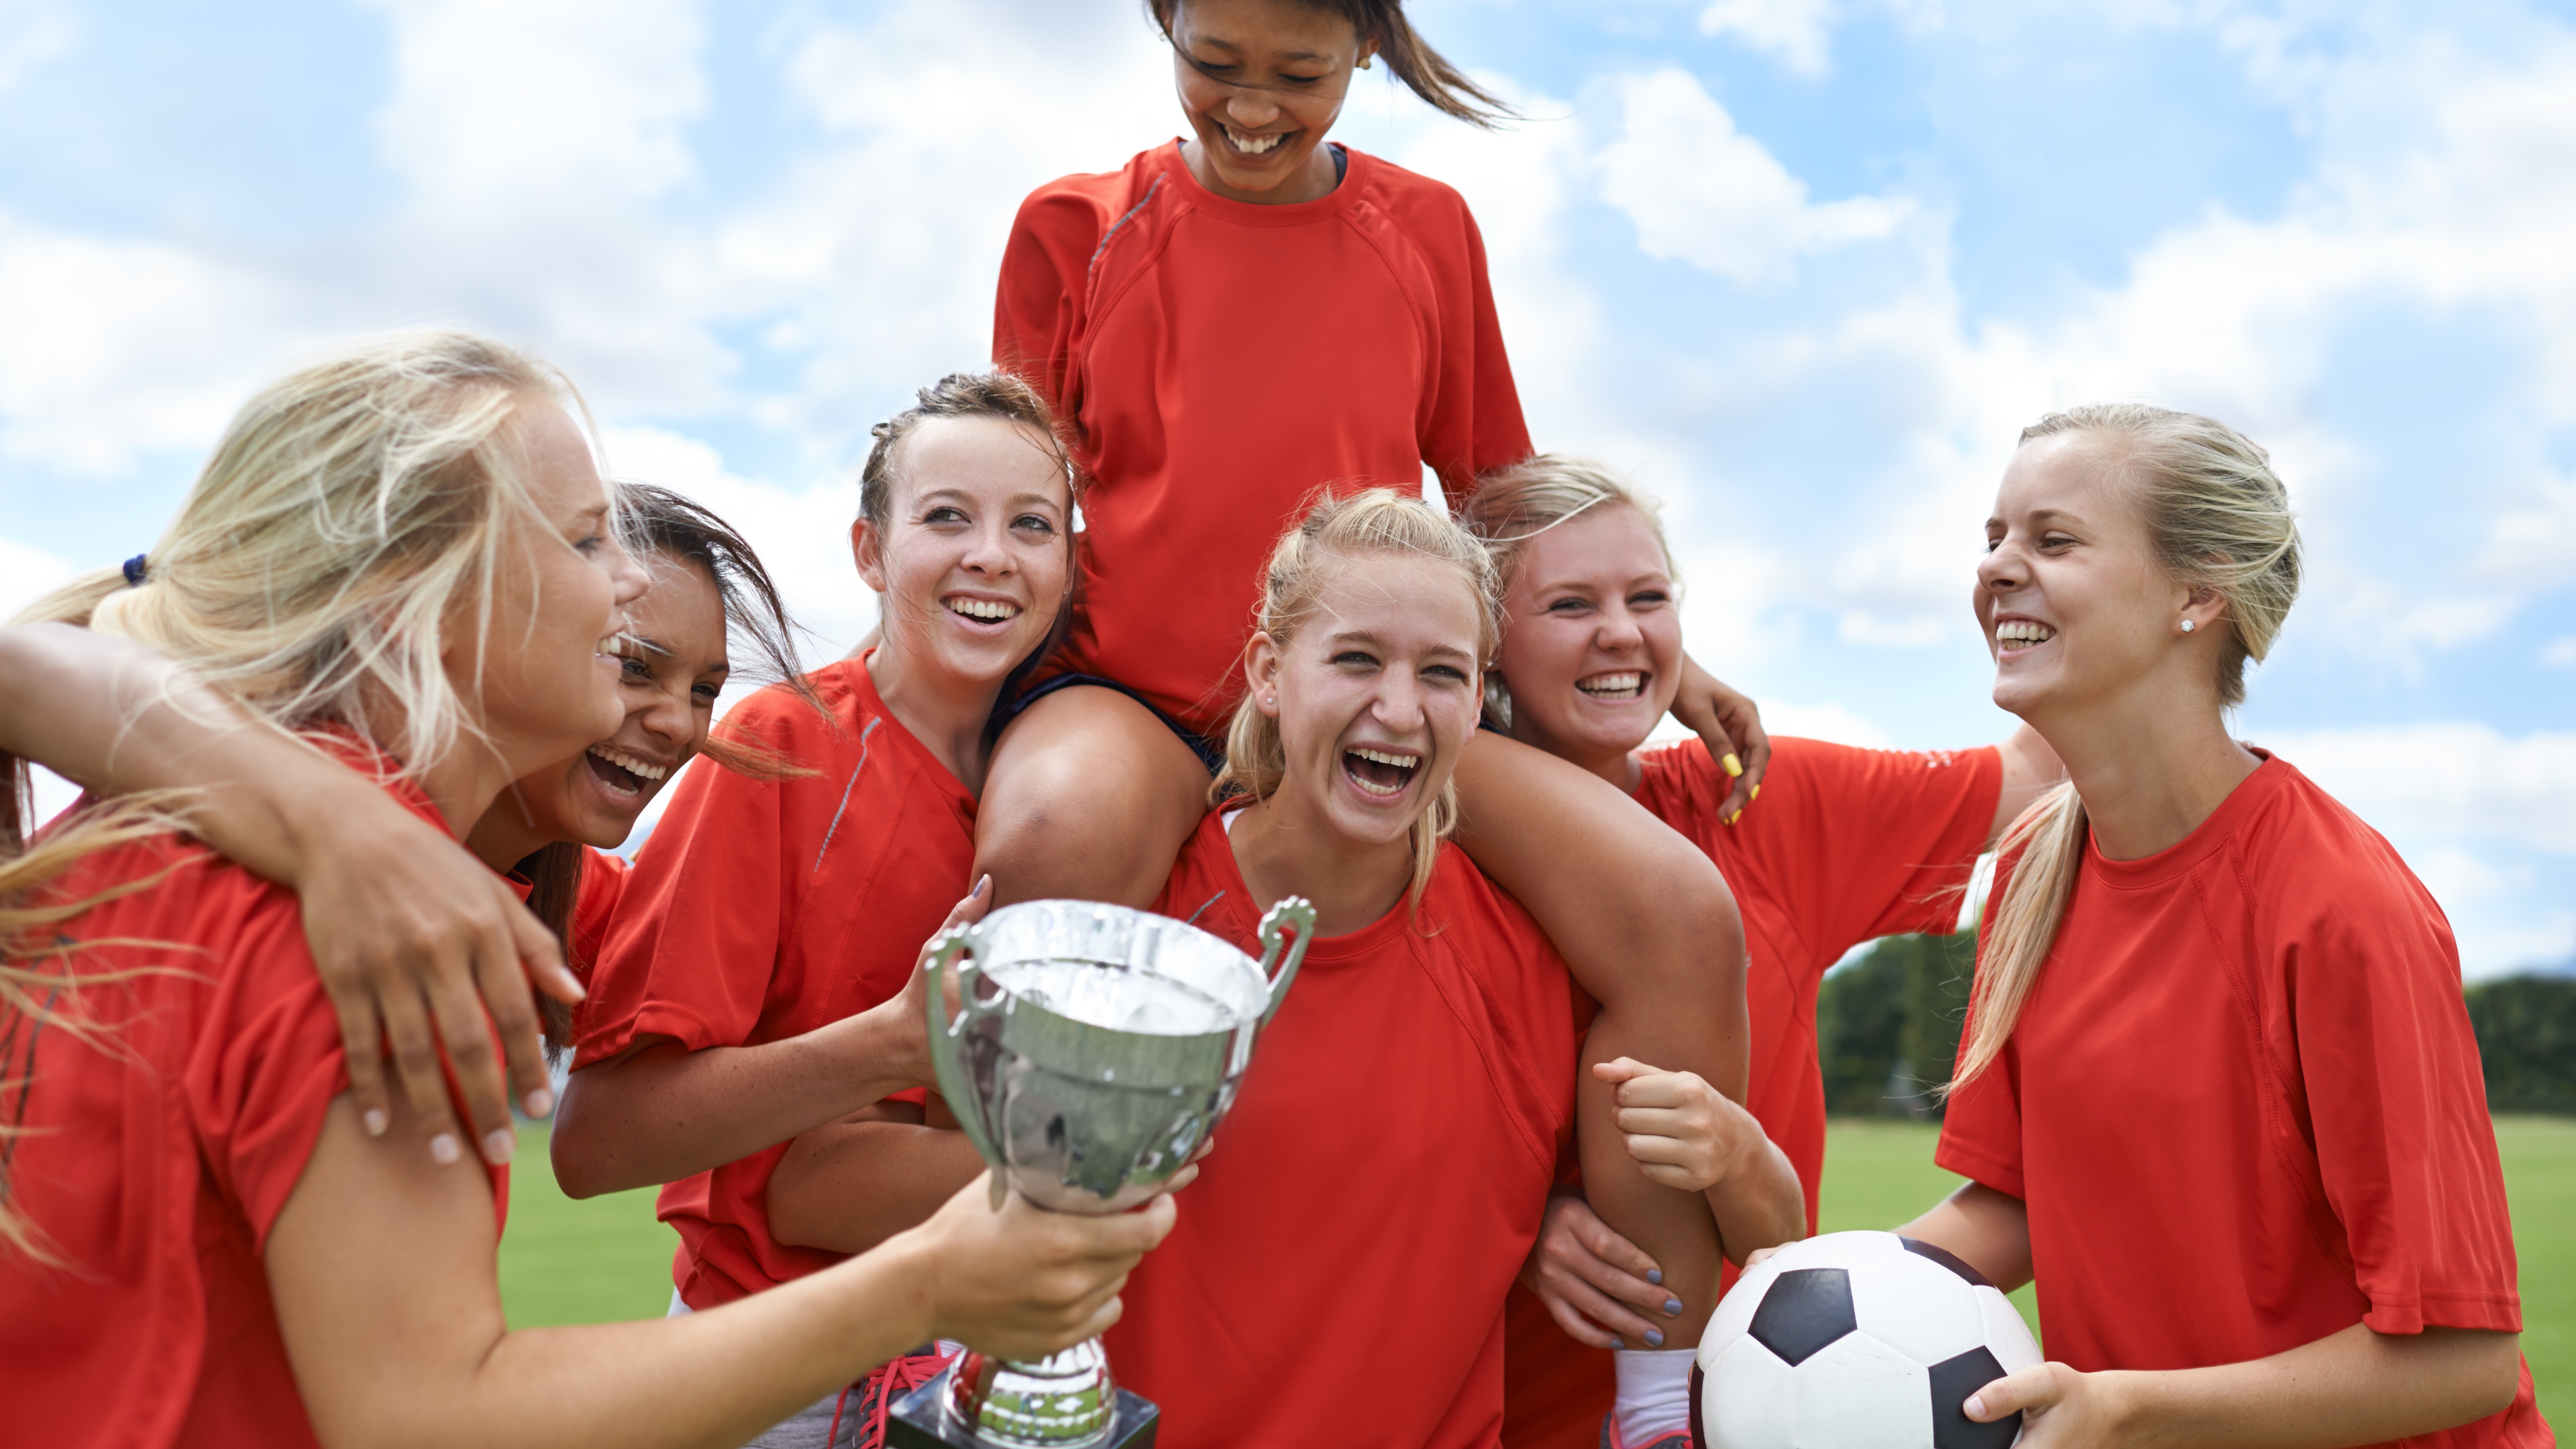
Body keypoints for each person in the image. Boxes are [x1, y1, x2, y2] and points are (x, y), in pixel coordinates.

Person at [0, 332, 1175, 1449]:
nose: (626, 584)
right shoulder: (378, 920)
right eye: (582, 541)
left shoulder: (307, 832)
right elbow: (434, 1413)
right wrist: (926, 1279)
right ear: (427, 592)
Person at [980, 0, 1783, 1349]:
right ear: (1164, 23)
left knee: (1675, 911)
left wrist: (1666, 651)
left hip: (1377, 695)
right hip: (1137, 698)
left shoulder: (1426, 232)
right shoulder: (1076, 224)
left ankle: (1660, 1395)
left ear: (1366, 54)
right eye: (1211, 64)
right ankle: (1013, 1326)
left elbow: (1495, 490)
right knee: (1049, 840)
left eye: (1298, 74)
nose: (1248, 106)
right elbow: (1013, 492)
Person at [1892, 404, 2546, 1447]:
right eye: (1994, 538)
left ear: (2198, 595)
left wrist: (2135, 1405)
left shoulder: (2341, 908)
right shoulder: (2030, 873)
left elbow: (2463, 1360)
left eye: (2051, 539)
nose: (1998, 569)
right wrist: (1802, 1294)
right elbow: (2018, 1205)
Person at [1455, 456, 2066, 1449]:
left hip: (1773, 1417)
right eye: (1570, 603)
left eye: (1648, 598)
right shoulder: (1419, 854)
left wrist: (2050, 589)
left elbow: (2047, 771)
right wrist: (1513, 1225)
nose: (1620, 629)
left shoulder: (1755, 801)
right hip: (1512, 1415)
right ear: (1481, 640)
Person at [553, 371, 1082, 1446]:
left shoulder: (1077, 775)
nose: (991, 553)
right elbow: (597, 1137)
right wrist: (889, 1044)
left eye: (1031, 524)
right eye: (947, 517)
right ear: (869, 553)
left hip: (990, 1367)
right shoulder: (781, 749)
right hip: (778, 1373)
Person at [0, 482, 821, 1147]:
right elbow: (28, 665)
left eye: (707, 689)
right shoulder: (268, 815)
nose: (681, 721)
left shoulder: (567, 894)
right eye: (632, 665)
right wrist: (344, 829)